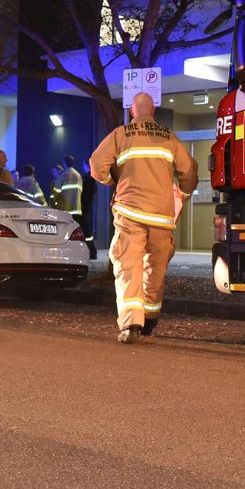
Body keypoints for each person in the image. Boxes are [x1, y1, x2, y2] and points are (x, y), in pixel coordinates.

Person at [90, 92, 198, 344]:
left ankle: (131, 325)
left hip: (130, 212)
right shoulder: (169, 137)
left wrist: (112, 181)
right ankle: (150, 319)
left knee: (129, 266)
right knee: (156, 268)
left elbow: (96, 165)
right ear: (154, 111)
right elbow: (190, 172)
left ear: (131, 111)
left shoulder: (121, 134)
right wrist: (180, 194)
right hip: (161, 216)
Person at [56, 155, 92, 256]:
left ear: (64, 163)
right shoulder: (78, 175)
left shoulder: (63, 175)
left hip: (65, 209)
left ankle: (66, 252)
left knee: (65, 232)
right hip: (77, 209)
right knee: (76, 232)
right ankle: (77, 252)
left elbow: (57, 190)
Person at [81, 159, 97, 254]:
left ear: (87, 165)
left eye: (84, 165)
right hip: (88, 206)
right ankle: (91, 251)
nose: (83, 167)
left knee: (86, 229)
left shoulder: (88, 178)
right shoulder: (91, 177)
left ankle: (92, 251)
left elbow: (85, 193)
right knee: (87, 229)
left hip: (85, 206)